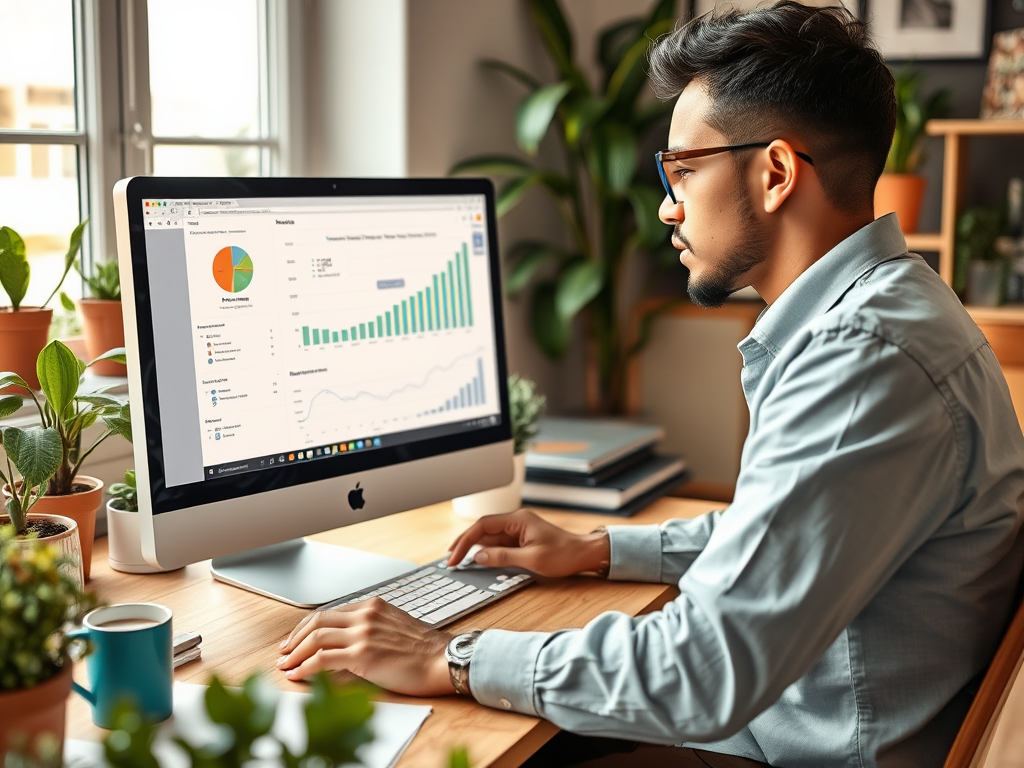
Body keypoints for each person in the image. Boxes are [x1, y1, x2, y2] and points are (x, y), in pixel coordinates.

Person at [276, 3, 1024, 766]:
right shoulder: (892, 307)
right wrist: (598, 550)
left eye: (684, 170)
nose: (667, 206)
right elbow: (784, 536)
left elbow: (702, 672)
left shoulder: (863, 357)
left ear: (775, 174)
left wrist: (451, 654)